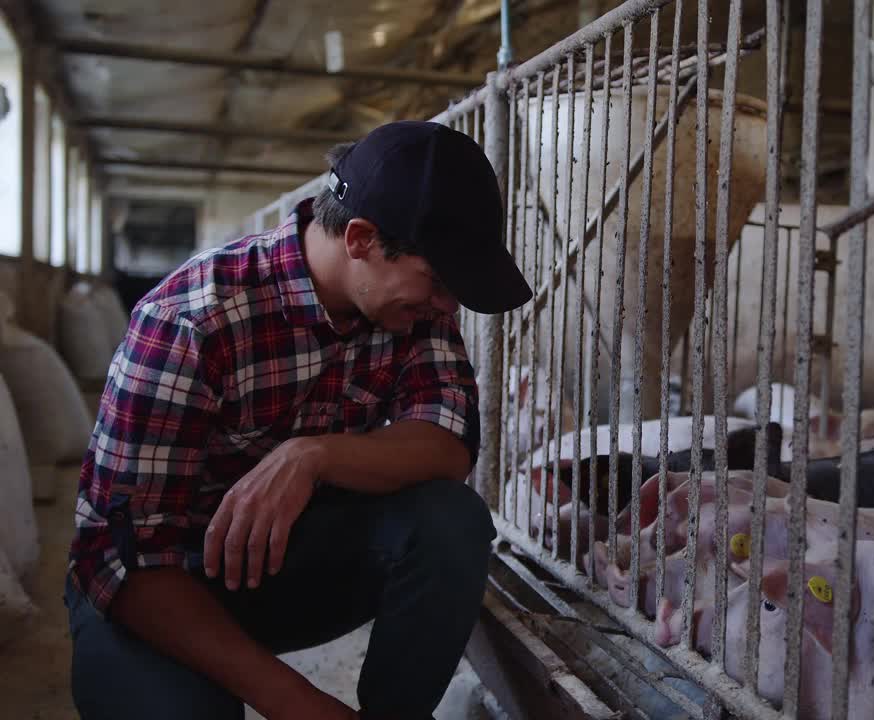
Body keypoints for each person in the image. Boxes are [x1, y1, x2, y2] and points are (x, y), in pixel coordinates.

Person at [64, 120, 533, 720]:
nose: (448, 305)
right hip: (154, 591)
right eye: (438, 281)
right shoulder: (191, 320)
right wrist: (294, 700)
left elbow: (449, 442)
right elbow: (122, 561)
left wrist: (315, 455)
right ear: (360, 239)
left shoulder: (407, 308)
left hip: (272, 571)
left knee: (451, 521)